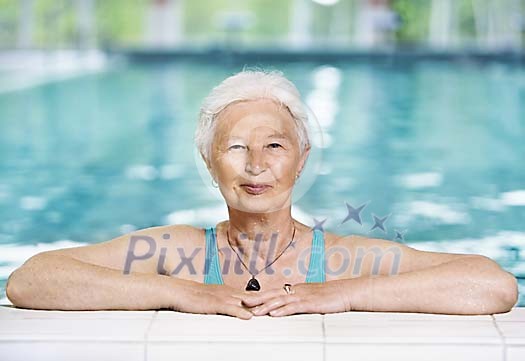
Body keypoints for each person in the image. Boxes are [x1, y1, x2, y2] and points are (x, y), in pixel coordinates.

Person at [5, 70, 518, 320]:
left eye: (274, 145)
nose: (256, 166)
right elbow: (31, 279)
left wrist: (345, 293)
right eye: (234, 147)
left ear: (302, 156)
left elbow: (492, 285)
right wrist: (182, 292)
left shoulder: (342, 260)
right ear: (209, 161)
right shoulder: (176, 253)